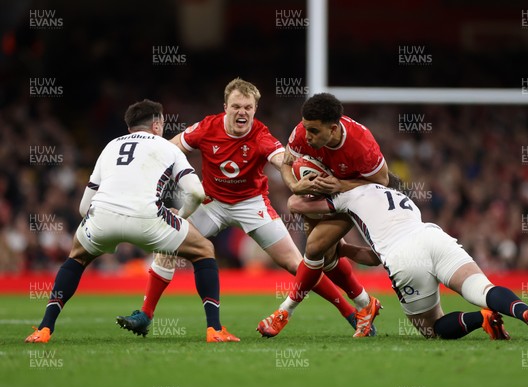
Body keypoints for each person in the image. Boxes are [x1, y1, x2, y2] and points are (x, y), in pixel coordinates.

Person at [116, 79, 359, 342]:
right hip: (212, 204)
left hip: (251, 203)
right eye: (236, 106)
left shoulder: (261, 135)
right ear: (225, 107)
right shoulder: (208, 127)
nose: (242, 112)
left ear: (255, 110)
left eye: (248, 107)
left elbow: (281, 161)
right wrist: (143, 159)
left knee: (295, 263)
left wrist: (294, 183)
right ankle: (145, 315)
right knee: (167, 244)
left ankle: (349, 312)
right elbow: (172, 147)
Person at [283, 175, 528, 341]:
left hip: (403, 257)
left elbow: (295, 204)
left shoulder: (350, 194)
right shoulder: (400, 197)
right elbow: (375, 256)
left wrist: (309, 184)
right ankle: (522, 311)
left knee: (433, 329)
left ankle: (482, 318)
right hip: (432, 236)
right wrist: (345, 249)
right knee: (481, 289)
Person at [25, 99, 220, 343]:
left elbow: (84, 206)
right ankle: (214, 330)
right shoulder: (167, 147)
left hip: (102, 216)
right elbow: (197, 193)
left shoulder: (110, 146)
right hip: (149, 219)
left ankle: (44, 329)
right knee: (204, 250)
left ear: (130, 129)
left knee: (76, 258)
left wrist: (99, 225)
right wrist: (180, 218)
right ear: (158, 125)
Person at [257, 93, 389, 338]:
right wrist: (295, 185)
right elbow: (287, 163)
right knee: (325, 256)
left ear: (333, 128)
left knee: (315, 247)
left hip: (356, 195)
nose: (307, 136)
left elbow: (382, 181)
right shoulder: (302, 131)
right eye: (306, 128)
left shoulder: (361, 144)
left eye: (314, 132)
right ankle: (365, 302)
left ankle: (284, 312)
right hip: (326, 190)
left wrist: (341, 185)